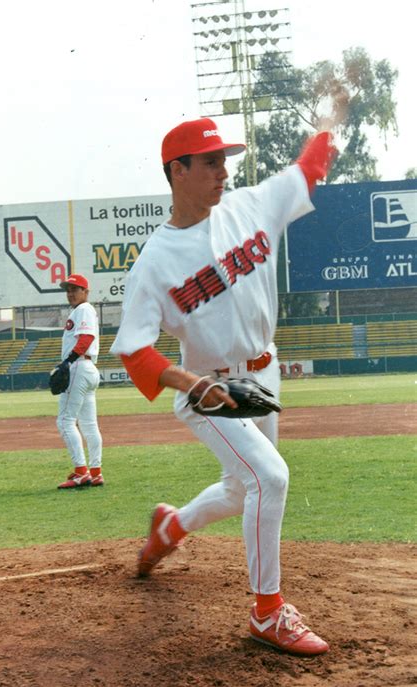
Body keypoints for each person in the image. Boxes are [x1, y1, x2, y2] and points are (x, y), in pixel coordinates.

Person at [110, 116, 339, 655]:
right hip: (209, 388)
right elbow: (135, 351)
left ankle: (170, 528)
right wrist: (189, 382)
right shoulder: (155, 263)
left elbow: (307, 169)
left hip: (264, 375)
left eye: (224, 160)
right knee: (271, 479)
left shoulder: (250, 206)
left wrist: (331, 119)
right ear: (177, 171)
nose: (223, 170)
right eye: (211, 162)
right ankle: (267, 613)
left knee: (242, 489)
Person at [55, 273, 104, 489]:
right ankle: (95, 472)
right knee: (89, 424)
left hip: (79, 366)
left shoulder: (83, 309)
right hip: (88, 368)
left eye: (74, 289)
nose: (70, 293)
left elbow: (86, 338)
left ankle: (81, 472)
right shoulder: (82, 310)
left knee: (65, 421)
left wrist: (68, 362)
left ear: (85, 291)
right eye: (67, 289)